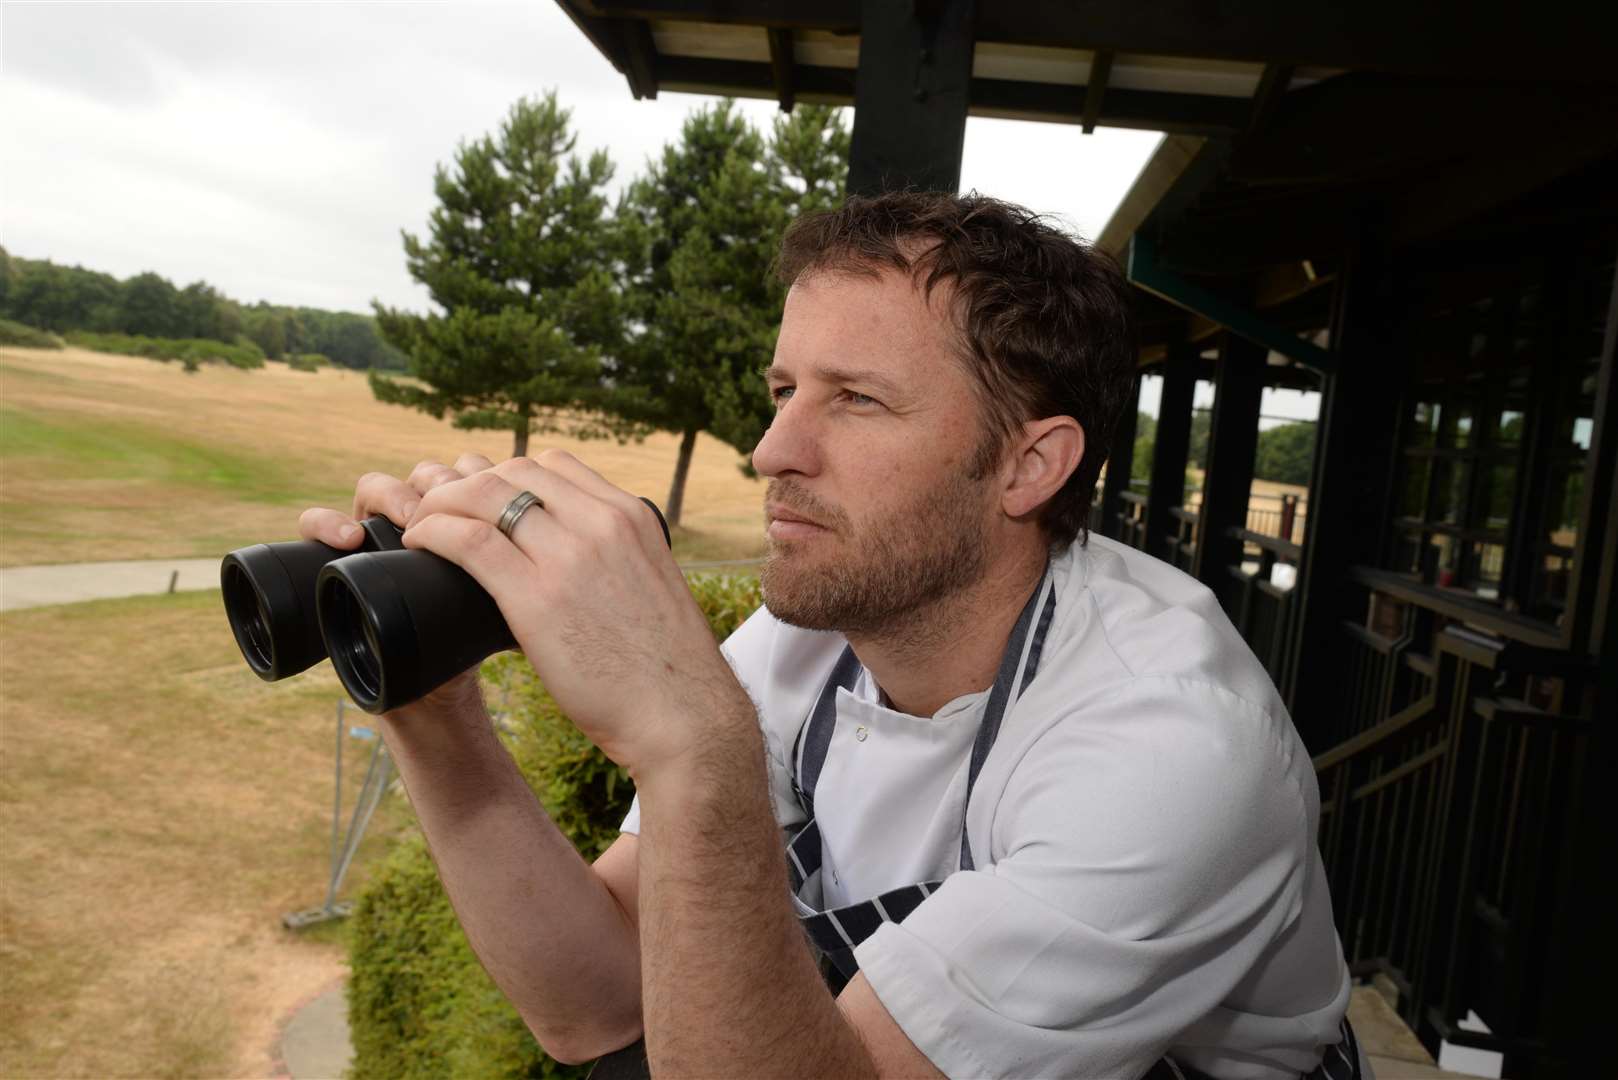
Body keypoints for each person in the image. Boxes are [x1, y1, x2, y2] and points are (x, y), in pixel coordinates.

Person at [299, 192, 1362, 1079]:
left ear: (1027, 465)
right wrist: (429, 713)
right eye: (782, 390)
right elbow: (595, 1003)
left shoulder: (1169, 746)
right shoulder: (806, 637)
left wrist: (693, 743)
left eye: (854, 400)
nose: (770, 451)